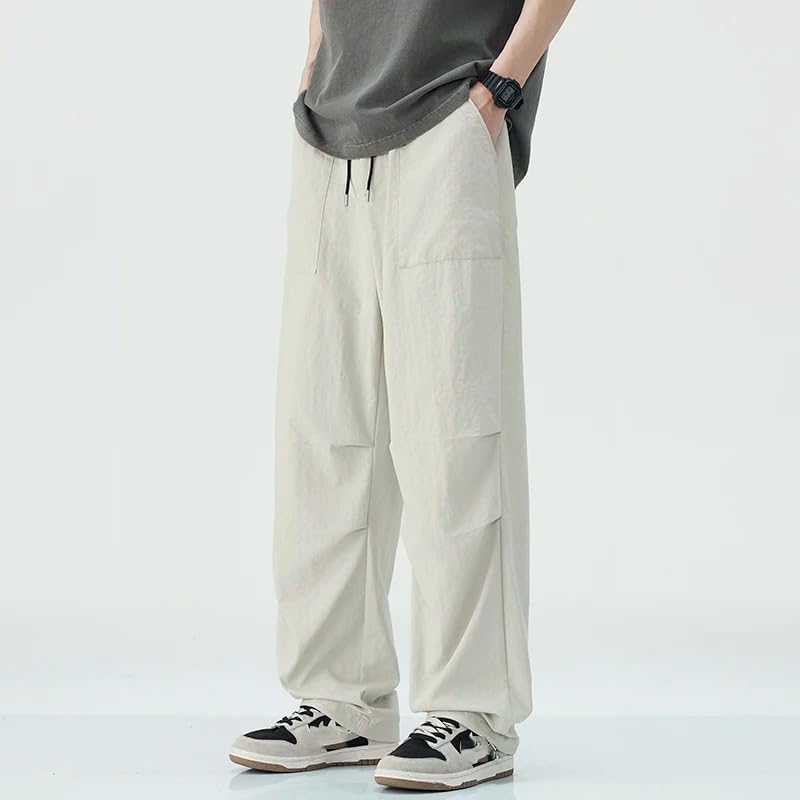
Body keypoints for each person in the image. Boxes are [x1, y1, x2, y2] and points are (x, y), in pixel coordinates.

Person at [229, 0, 575, 791]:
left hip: (450, 117)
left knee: (455, 430)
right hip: (328, 131)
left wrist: (502, 89)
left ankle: (474, 712)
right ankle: (339, 700)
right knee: (322, 434)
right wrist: (315, 64)